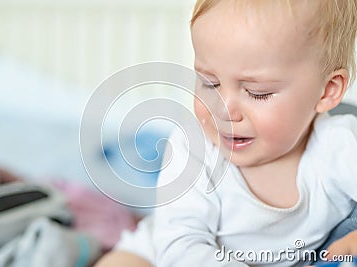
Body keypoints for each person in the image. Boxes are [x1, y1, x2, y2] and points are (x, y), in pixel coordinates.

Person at [95, 0, 357, 266]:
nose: (223, 110)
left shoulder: (340, 145)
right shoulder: (193, 149)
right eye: (210, 83)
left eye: (258, 92)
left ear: (327, 91)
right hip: (166, 253)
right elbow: (181, 247)